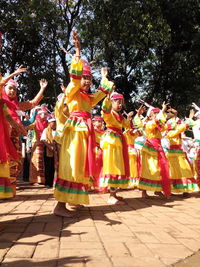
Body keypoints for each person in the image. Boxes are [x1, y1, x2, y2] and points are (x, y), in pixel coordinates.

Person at [53, 30, 114, 217]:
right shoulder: (72, 92)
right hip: (74, 134)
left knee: (79, 167)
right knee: (69, 165)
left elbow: (103, 93)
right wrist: (77, 52)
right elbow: (74, 79)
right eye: (84, 78)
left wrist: (104, 77)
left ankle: (74, 200)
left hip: (84, 135)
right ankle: (60, 206)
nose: (86, 81)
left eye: (89, 78)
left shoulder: (88, 99)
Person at [99, 92, 133, 204]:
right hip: (111, 142)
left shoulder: (120, 116)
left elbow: (127, 125)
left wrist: (129, 118)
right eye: (117, 102)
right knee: (112, 166)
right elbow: (105, 111)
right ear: (112, 102)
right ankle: (111, 196)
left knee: (118, 166)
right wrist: (107, 99)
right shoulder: (109, 114)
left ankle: (114, 194)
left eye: (121, 103)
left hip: (118, 141)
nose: (119, 105)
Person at [0, 73, 26, 198]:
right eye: (9, 87)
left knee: (13, 164)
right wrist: (14, 73)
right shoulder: (3, 101)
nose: (12, 91)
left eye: (14, 89)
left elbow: (9, 118)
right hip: (4, 139)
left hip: (11, 139)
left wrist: (21, 129)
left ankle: (9, 190)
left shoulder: (10, 105)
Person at [138, 103, 171, 198]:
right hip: (150, 148)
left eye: (158, 114)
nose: (157, 116)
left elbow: (164, 126)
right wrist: (163, 110)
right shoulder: (149, 124)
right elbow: (157, 121)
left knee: (160, 169)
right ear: (151, 116)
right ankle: (144, 192)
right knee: (148, 169)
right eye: (155, 114)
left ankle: (157, 189)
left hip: (158, 147)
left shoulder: (157, 126)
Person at [165, 109, 199, 194]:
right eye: (170, 112)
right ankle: (171, 189)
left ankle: (185, 190)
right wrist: (189, 119)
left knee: (185, 169)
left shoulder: (176, 124)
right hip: (172, 151)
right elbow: (179, 129)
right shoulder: (169, 131)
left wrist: (185, 120)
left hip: (179, 150)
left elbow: (184, 126)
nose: (171, 113)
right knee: (173, 171)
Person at [29, 106, 48, 185]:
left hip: (45, 144)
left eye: (46, 114)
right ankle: (34, 180)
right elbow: (27, 127)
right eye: (44, 114)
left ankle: (42, 180)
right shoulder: (35, 122)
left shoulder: (47, 123)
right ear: (40, 114)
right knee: (37, 161)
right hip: (37, 144)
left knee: (43, 162)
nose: (45, 116)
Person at [41, 115, 57, 187]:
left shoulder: (58, 130)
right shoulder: (46, 130)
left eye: (55, 122)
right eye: (52, 123)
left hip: (56, 150)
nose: (54, 124)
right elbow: (43, 140)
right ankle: (48, 182)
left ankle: (55, 182)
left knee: (55, 167)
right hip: (48, 150)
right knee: (48, 166)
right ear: (49, 123)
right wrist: (50, 147)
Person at [92, 115, 105, 192]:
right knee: (95, 168)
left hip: (102, 150)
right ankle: (93, 184)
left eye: (101, 122)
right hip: (95, 150)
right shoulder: (92, 131)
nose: (100, 123)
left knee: (101, 168)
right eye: (99, 121)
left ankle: (100, 184)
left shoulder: (104, 132)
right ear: (94, 122)